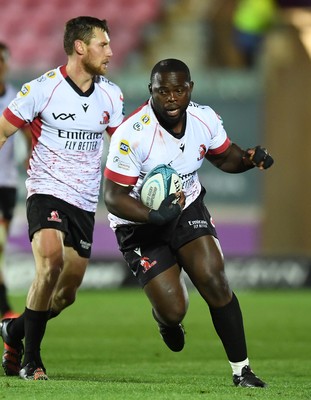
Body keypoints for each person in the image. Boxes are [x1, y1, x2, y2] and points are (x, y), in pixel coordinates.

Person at [103, 59, 273, 388]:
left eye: (178, 90)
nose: (171, 98)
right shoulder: (132, 134)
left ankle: (243, 371)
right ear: (150, 91)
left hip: (186, 208)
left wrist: (250, 159)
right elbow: (113, 196)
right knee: (174, 309)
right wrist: (153, 215)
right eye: (162, 91)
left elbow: (225, 156)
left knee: (213, 277)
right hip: (139, 224)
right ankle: (167, 322)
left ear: (190, 89)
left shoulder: (204, 118)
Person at [0, 16, 124, 380]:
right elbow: (4, 130)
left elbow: (122, 146)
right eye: (103, 44)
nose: (110, 51)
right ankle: (31, 360)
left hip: (85, 202)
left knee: (66, 293)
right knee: (50, 263)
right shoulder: (41, 89)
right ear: (80, 47)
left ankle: (13, 331)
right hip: (46, 190)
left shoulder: (111, 95)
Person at [0, 42, 31, 321]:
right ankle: (3, 305)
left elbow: (27, 139)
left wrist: (30, 160)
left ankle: (2, 304)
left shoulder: (15, 100)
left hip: (5, 185)